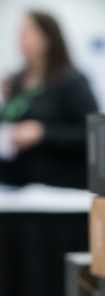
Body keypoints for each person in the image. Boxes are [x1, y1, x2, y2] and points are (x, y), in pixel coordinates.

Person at [0, 10, 98, 189]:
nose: (20, 37)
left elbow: (92, 132)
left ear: (47, 37)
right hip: (16, 185)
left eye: (27, 30)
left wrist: (42, 133)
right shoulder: (16, 82)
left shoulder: (71, 81)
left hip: (59, 187)